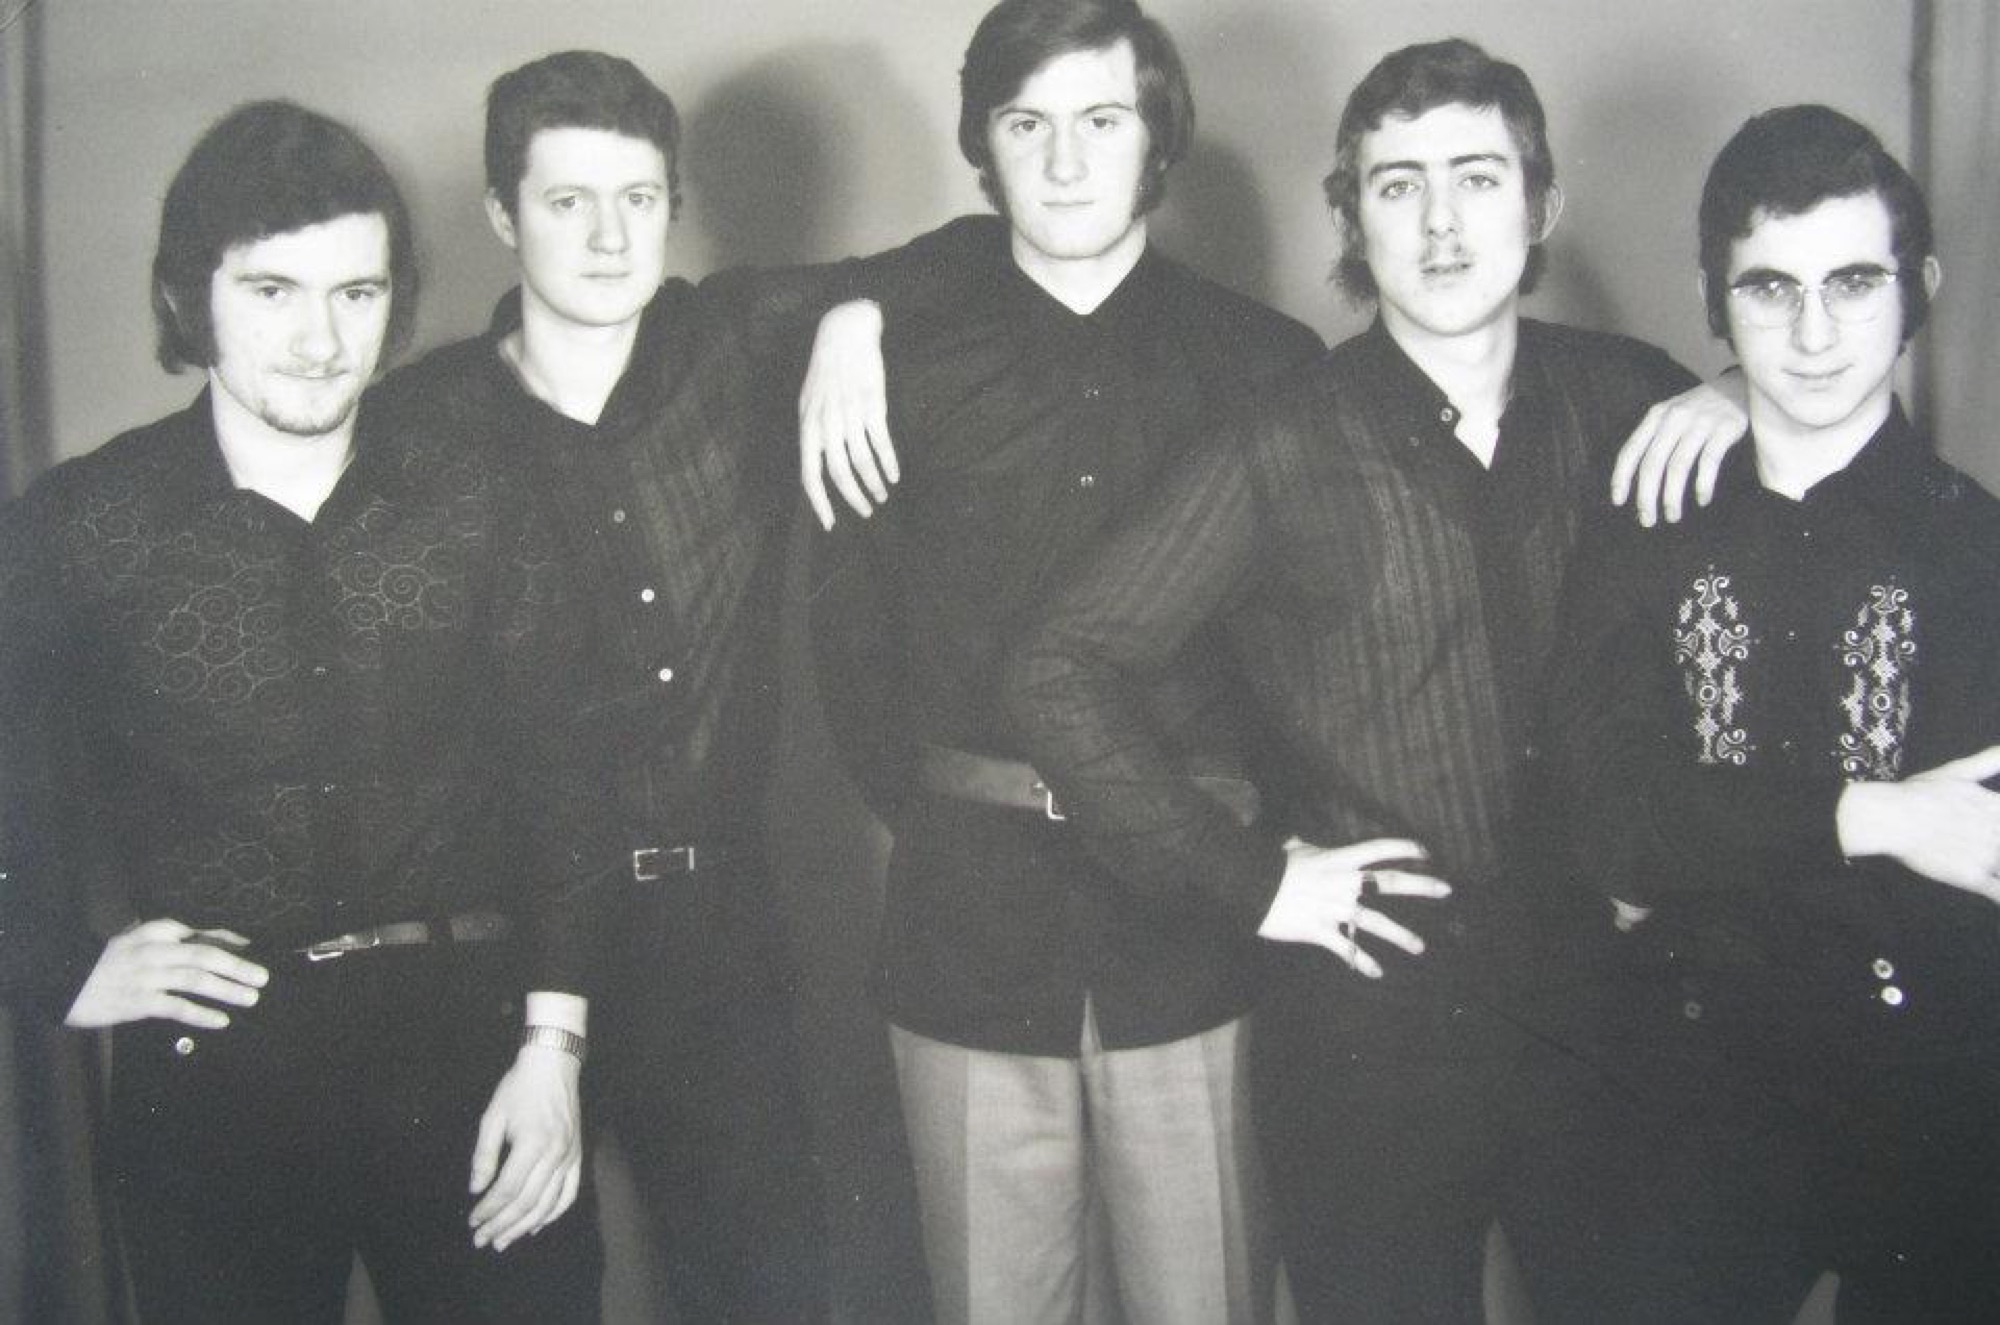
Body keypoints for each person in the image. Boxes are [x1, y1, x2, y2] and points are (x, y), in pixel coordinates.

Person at [996, 38, 1745, 1323]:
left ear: (1540, 205)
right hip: (1369, 1033)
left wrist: (1740, 394)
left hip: (1602, 1009)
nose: (1441, 223)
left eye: (1476, 178)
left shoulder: (1626, 398)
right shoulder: (1280, 441)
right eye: (1398, 186)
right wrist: (1249, 878)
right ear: (1350, 220)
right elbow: (1057, 665)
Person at [374, 49, 984, 1323]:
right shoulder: (420, 423)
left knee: (768, 1285)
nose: (609, 238)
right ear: (501, 216)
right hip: (501, 939)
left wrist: (853, 317)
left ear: (672, 206)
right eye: (567, 202)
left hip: (715, 923)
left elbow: (975, 256)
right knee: (514, 1294)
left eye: (639, 200)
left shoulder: (735, 339)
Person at [0, 101, 613, 1322]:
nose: (321, 339)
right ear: (191, 297)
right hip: (217, 1084)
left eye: (356, 292)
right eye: (273, 290)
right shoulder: (83, 524)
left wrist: (554, 1053)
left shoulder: (481, 499)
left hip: (475, 1059)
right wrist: (56, 963)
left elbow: (570, 779)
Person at [804, 2, 1325, 1320]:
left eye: (1101, 119)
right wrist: (955, 809)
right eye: (1025, 123)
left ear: (1159, 140)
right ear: (982, 145)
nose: (1064, 158)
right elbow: (850, 650)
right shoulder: (887, 361)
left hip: (1194, 932)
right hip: (967, 931)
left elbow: (1306, 660)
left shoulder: (1266, 365)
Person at [1540, 104, 2000, 1323]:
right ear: (1713, 305)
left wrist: (1724, 827)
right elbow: (1613, 826)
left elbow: (1979, 856)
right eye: (1766, 289)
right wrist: (1875, 815)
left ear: (1919, 291)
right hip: (1688, 1087)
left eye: (1852, 283)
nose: (1810, 334)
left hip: (1934, 1087)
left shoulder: (1978, 550)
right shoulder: (1641, 524)